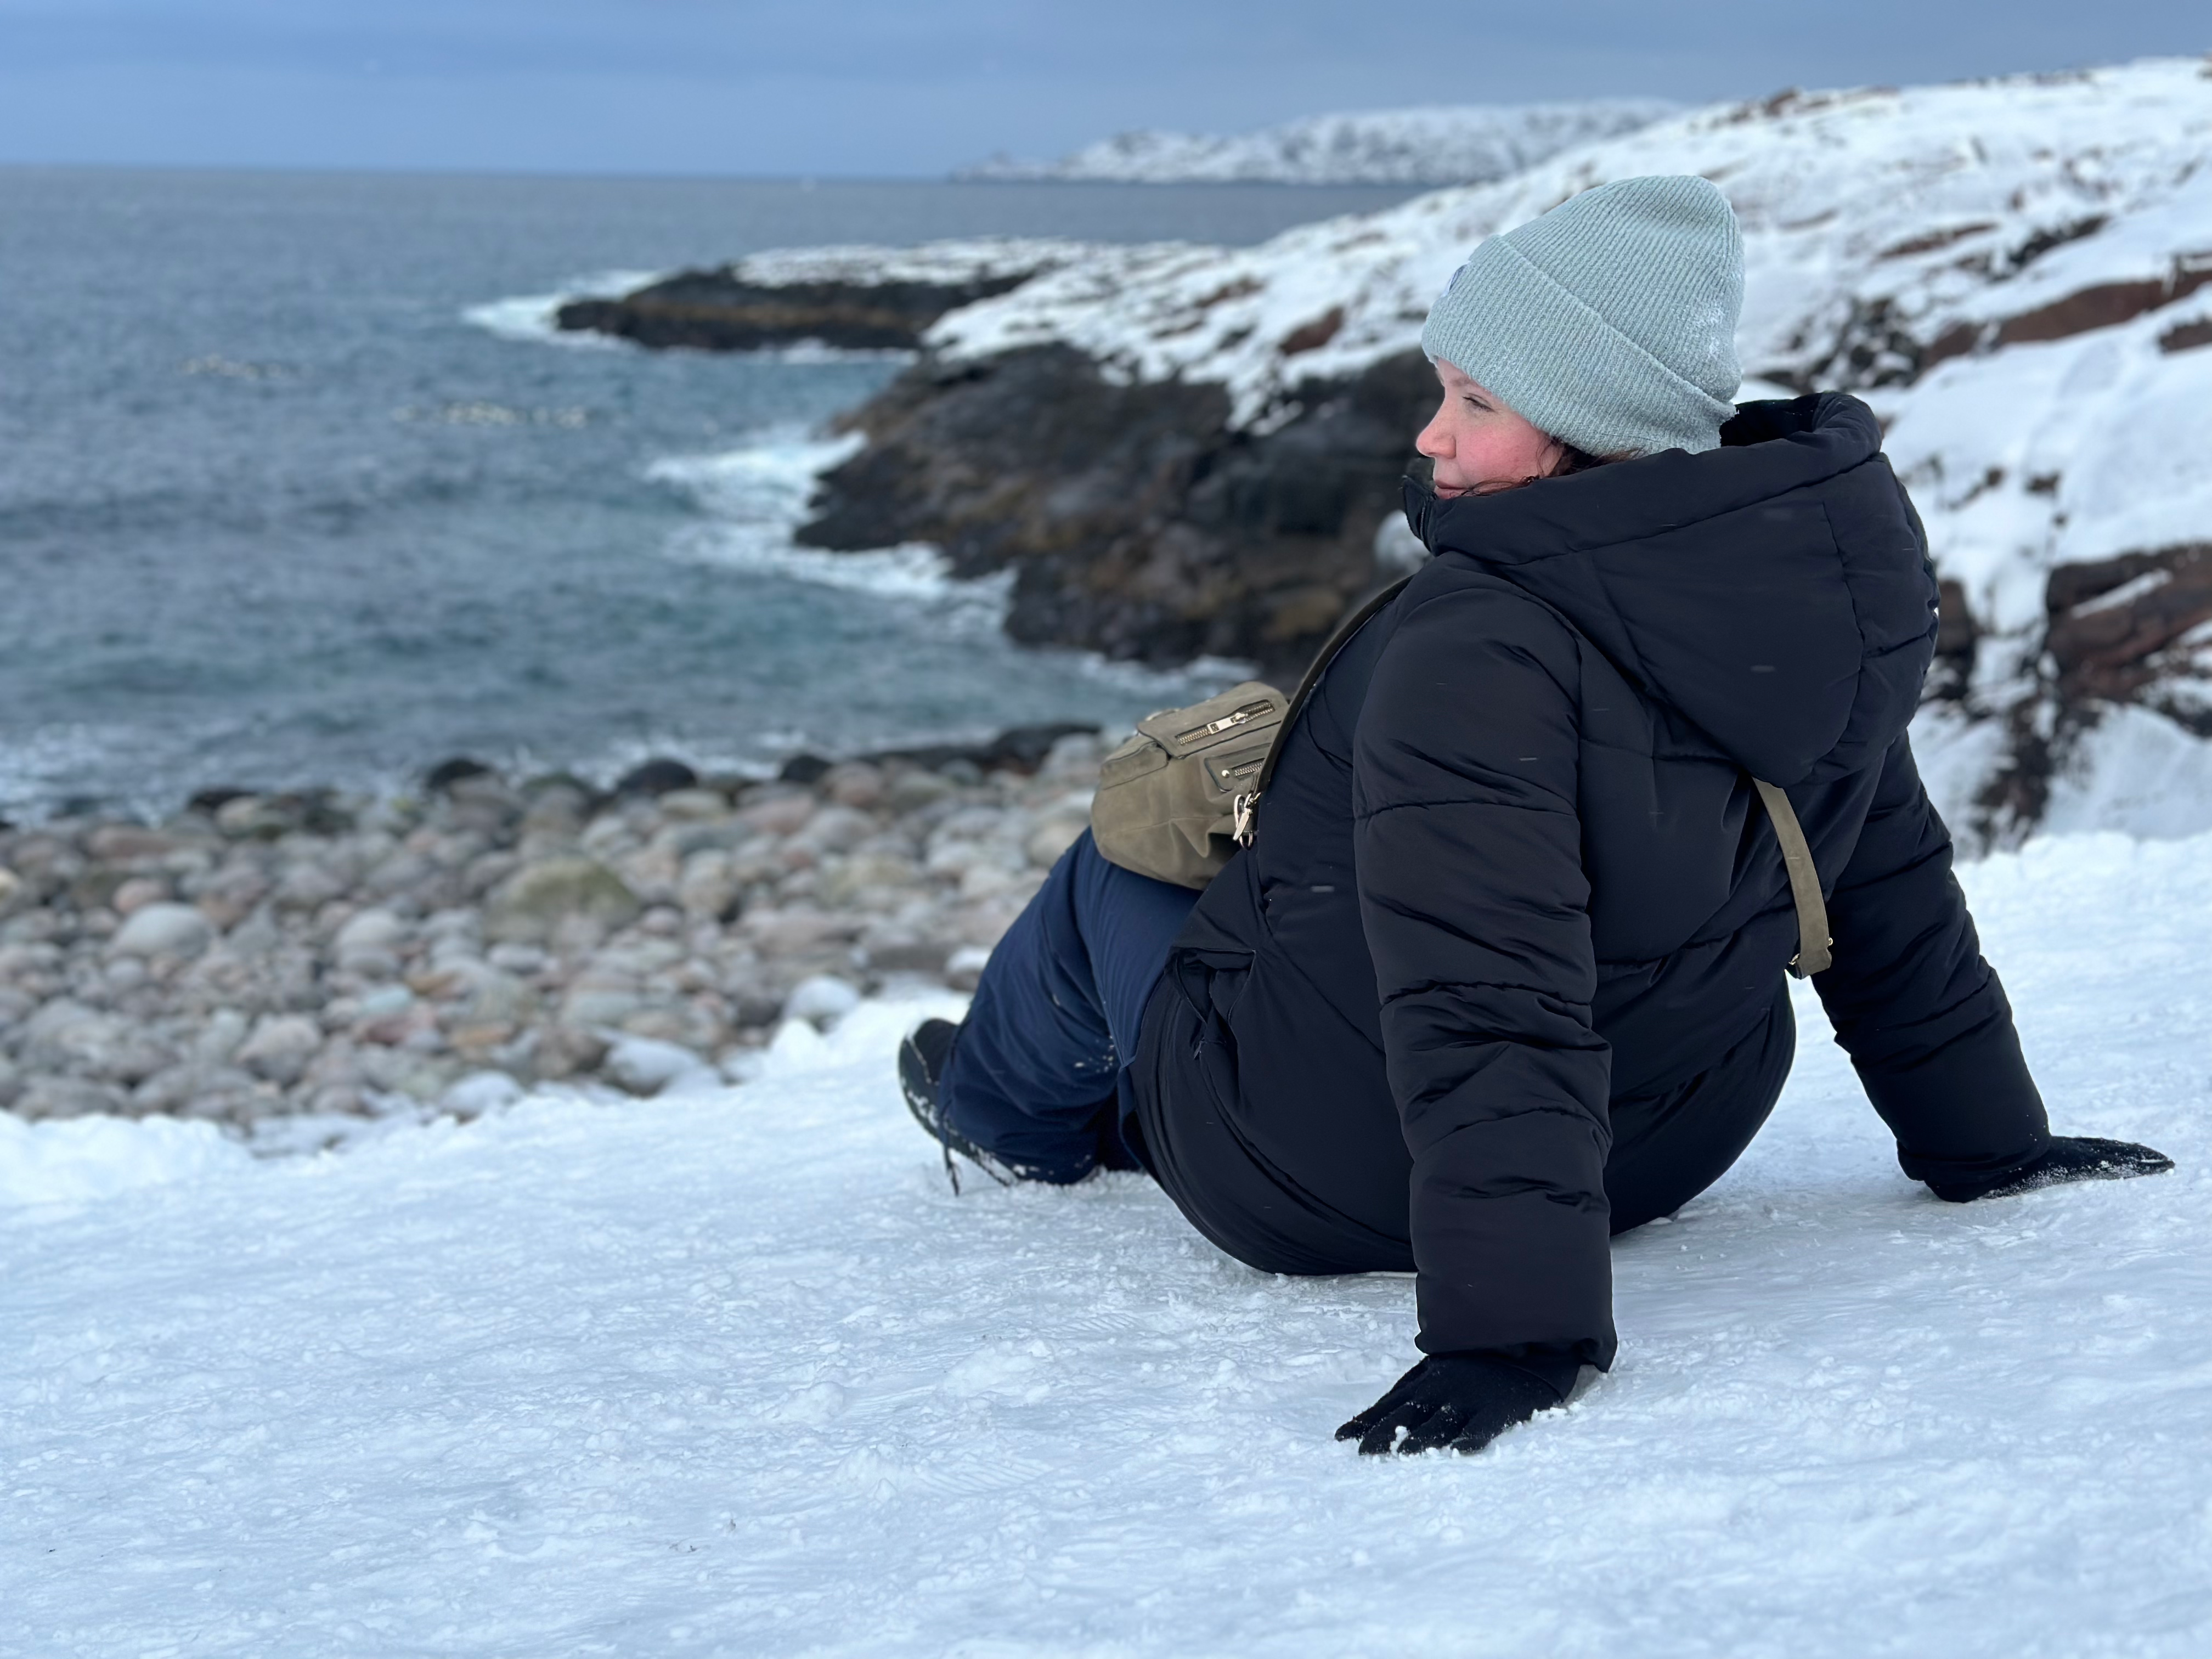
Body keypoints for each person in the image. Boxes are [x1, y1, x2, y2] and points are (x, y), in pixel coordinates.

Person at [896, 176, 2171, 1457]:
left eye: (1477, 404)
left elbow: (1486, 987)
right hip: (1676, 1136)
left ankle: (1002, 1119)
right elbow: (1883, 880)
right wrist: (1988, 1143)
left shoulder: (1483, 636)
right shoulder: (1807, 584)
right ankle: (1112, 1112)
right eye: (1442, 394)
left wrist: (1515, 1335)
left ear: (1590, 421)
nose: (1432, 439)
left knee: (1124, 852)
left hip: (1324, 1182)